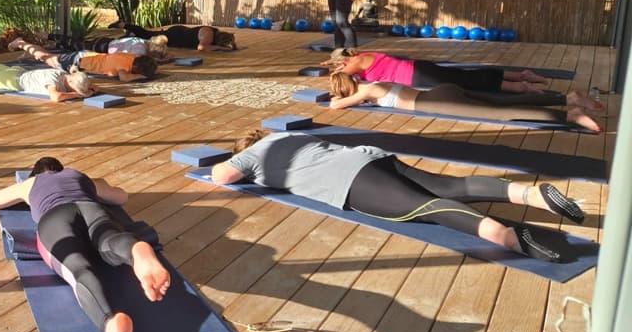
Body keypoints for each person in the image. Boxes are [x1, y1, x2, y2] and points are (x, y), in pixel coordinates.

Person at [209, 131, 585, 262]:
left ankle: (507, 237)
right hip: (372, 159)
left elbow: (222, 175)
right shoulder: (290, 137)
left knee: (427, 208)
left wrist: (235, 160)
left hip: (349, 182)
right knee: (450, 185)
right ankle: (530, 193)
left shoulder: (255, 151)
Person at [0, 157, 172, 332]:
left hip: (55, 217)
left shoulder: (29, 184)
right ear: (61, 169)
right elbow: (121, 196)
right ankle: (136, 249)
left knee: (77, 268)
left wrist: (20, 195)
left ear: (35, 173)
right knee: (109, 240)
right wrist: (99, 184)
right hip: (91, 208)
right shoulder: (79, 177)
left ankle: (110, 323)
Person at [327, 73, 603, 132]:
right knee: (502, 103)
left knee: (503, 114)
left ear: (344, 89)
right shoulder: (374, 83)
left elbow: (335, 107)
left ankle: (571, 116)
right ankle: (566, 98)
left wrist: (338, 98)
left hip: (434, 103)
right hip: (441, 90)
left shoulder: (368, 90)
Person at [325, 47, 551, 94]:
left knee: (468, 82)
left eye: (340, 64)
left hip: (418, 76)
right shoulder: (364, 54)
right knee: (466, 76)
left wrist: (334, 70)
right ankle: (521, 76)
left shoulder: (357, 61)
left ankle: (521, 86)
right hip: (418, 69)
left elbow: (343, 73)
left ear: (345, 60)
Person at [0, 41, 93, 102]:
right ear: (71, 82)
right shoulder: (53, 81)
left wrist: (87, 90)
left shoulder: (66, 74)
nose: (74, 90)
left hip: (17, 71)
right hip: (13, 81)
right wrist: (78, 94)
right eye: (74, 88)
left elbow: (91, 87)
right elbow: (56, 97)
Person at [7, 38, 157, 82]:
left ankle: (27, 48)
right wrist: (142, 76)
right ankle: (21, 43)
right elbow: (124, 78)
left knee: (45, 55)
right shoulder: (123, 65)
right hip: (77, 61)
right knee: (43, 57)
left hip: (86, 56)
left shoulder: (132, 57)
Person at [122, 23, 237, 51]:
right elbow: (201, 47)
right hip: (176, 35)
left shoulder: (213, 33)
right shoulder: (209, 35)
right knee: (149, 36)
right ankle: (125, 25)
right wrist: (222, 48)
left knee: (149, 36)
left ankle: (131, 32)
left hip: (179, 34)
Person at [82, 35, 171, 61]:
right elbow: (136, 62)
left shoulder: (144, 41)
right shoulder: (141, 50)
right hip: (103, 48)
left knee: (83, 44)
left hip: (107, 41)